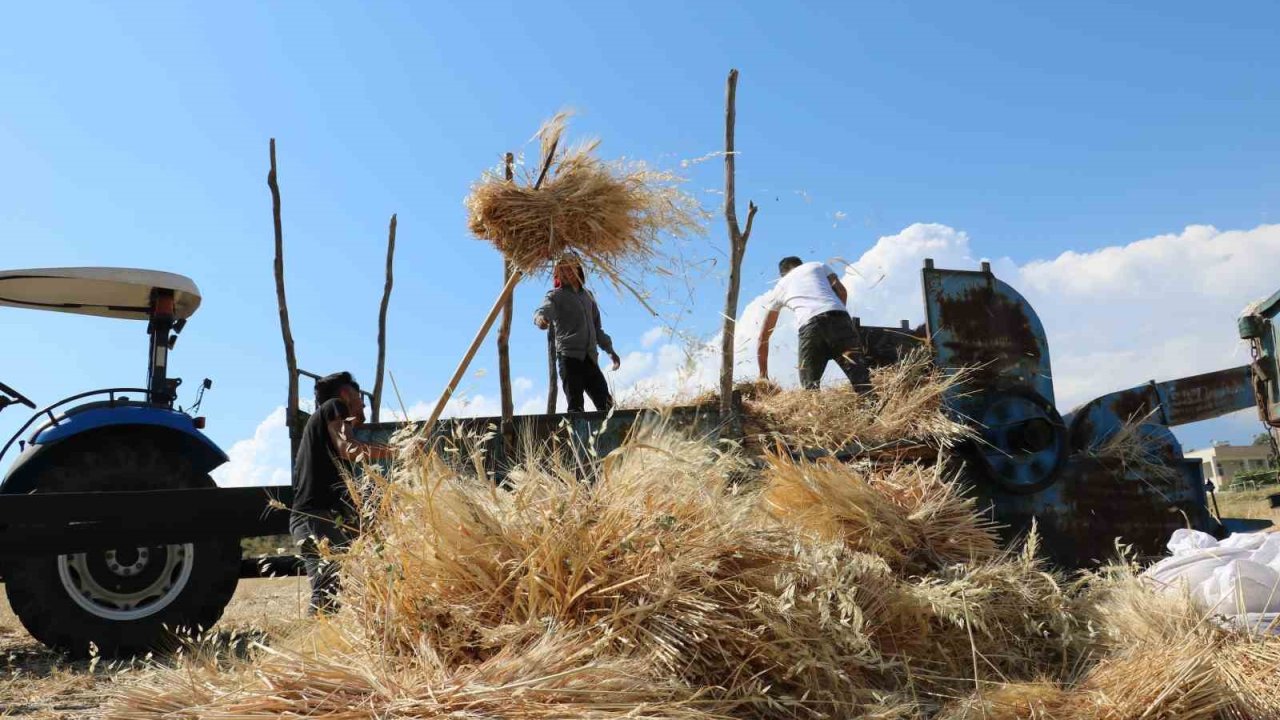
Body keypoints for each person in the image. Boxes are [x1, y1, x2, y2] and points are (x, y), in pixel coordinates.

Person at [289, 371, 392, 615]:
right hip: (317, 517)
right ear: (346, 394)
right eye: (359, 397)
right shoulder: (335, 405)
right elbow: (348, 449)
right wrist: (396, 450)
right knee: (326, 590)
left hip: (316, 517)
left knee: (333, 588)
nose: (363, 403)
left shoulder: (321, 425)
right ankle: (313, 647)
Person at [757, 256, 871, 391]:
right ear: (801, 264)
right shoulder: (817, 265)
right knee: (862, 380)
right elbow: (841, 291)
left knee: (810, 389)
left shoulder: (780, 286)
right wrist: (840, 321)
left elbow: (763, 337)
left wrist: (763, 375)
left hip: (810, 327)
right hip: (839, 317)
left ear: (782, 275)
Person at [534, 258, 621, 413]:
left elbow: (597, 329)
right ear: (557, 275)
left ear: (578, 270)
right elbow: (542, 311)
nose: (567, 273)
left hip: (590, 358)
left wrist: (610, 350)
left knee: (607, 405)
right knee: (576, 406)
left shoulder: (588, 297)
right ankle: (577, 436)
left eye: (570, 268)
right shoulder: (556, 296)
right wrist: (540, 320)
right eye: (562, 270)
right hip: (569, 358)